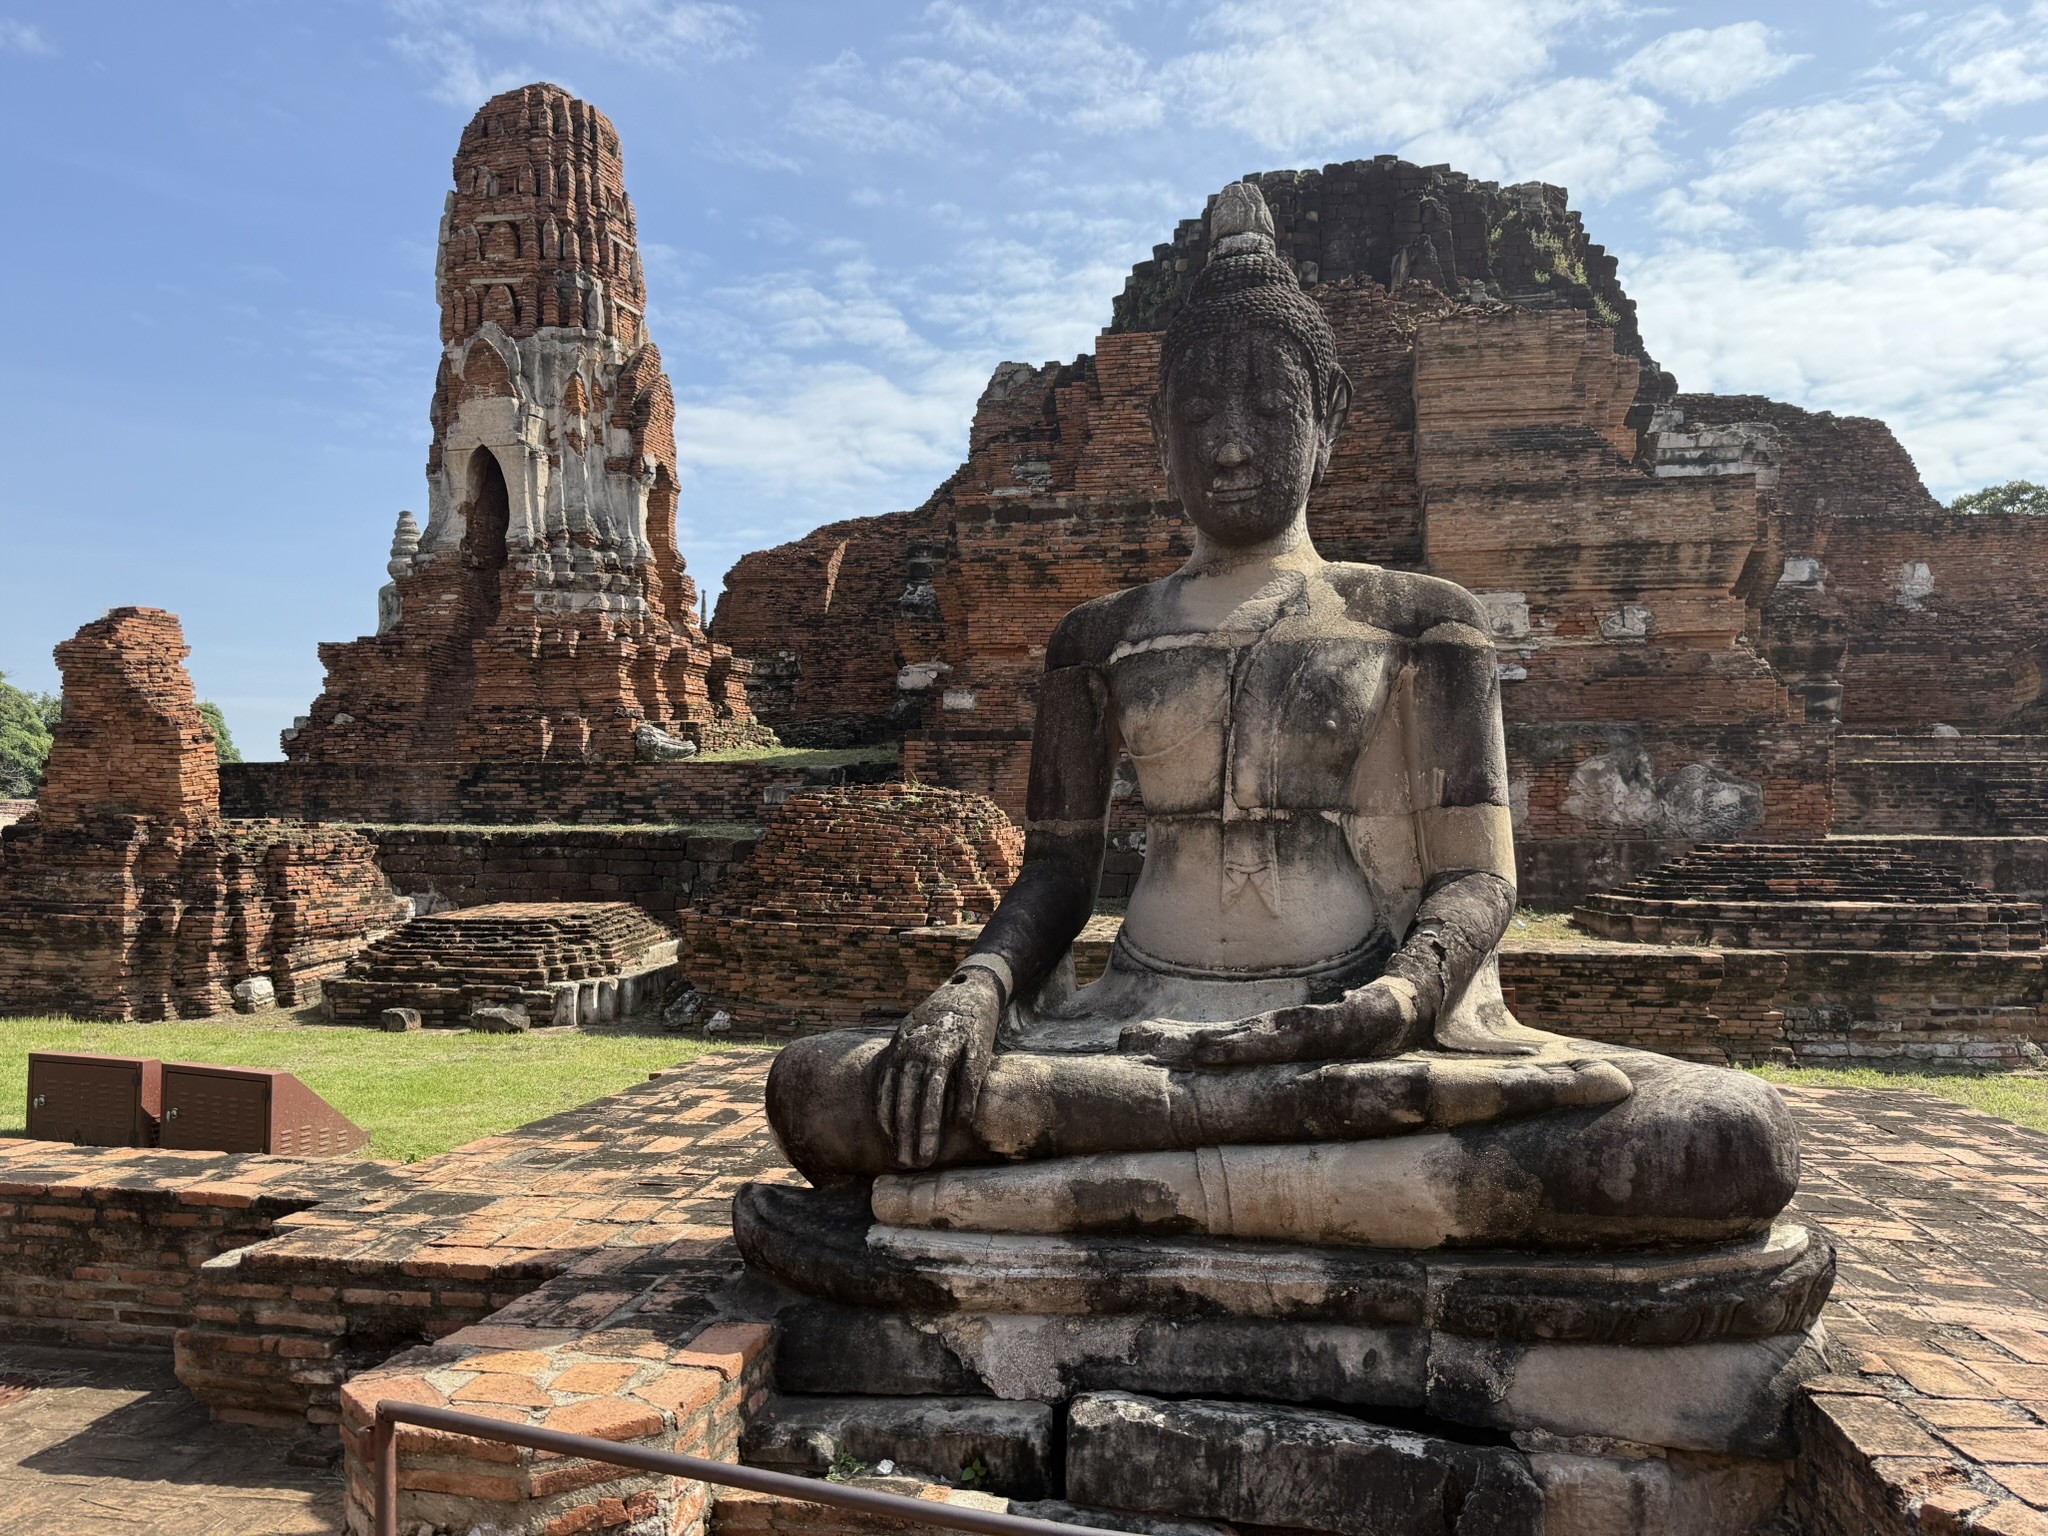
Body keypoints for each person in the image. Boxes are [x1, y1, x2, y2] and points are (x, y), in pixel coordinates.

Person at [765, 182, 1797, 1251]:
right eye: (1198, 412)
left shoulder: (1418, 621)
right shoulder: (1096, 637)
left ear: (1332, 417)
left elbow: (1478, 876)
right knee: (818, 1089)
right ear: (1156, 430)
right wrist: (972, 994)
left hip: (1349, 1032)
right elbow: (1058, 877)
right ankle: (1323, 1194)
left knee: (1723, 1139)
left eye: (1266, 405)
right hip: (1133, 1036)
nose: (1228, 444)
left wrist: (1398, 1001)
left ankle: (1086, 1194)